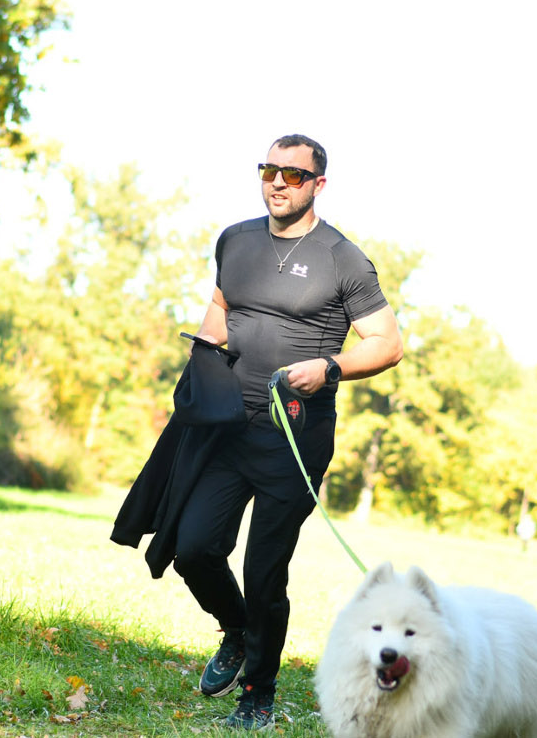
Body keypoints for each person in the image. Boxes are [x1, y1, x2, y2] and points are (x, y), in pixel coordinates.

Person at [175, 134, 403, 730]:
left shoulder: (343, 259)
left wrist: (330, 367)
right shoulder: (235, 240)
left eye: (293, 175)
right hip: (229, 427)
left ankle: (258, 695)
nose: (278, 182)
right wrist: (201, 361)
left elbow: (387, 344)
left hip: (296, 439)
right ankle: (236, 629)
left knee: (264, 571)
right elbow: (220, 313)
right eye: (269, 170)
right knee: (193, 547)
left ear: (318, 185)